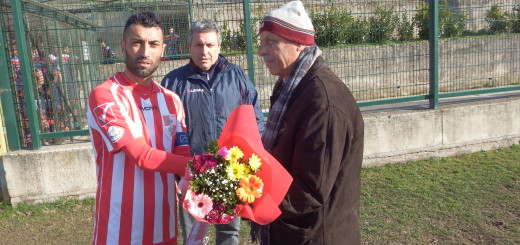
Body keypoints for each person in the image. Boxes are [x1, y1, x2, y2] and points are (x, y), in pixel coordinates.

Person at [255, 1, 365, 244]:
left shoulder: (322, 102)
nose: (261, 51)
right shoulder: (291, 87)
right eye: (261, 42)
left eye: (271, 42)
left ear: (298, 44)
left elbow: (308, 191)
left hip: (317, 236)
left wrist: (250, 195)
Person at [87, 12, 192, 244]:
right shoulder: (104, 96)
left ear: (163, 49)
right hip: (118, 232)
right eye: (137, 42)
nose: (145, 52)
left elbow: (182, 153)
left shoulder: (172, 100)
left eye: (153, 44)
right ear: (123, 46)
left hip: (164, 228)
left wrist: (201, 181)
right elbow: (141, 156)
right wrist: (202, 167)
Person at [161, 19, 265, 245]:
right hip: (190, 175)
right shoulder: (173, 82)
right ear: (189, 47)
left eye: (210, 45)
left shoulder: (237, 77)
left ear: (219, 46)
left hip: (230, 174)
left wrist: (256, 163)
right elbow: (164, 134)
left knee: (229, 234)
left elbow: (256, 121)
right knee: (193, 236)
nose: (204, 51)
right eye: (198, 45)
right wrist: (172, 175)